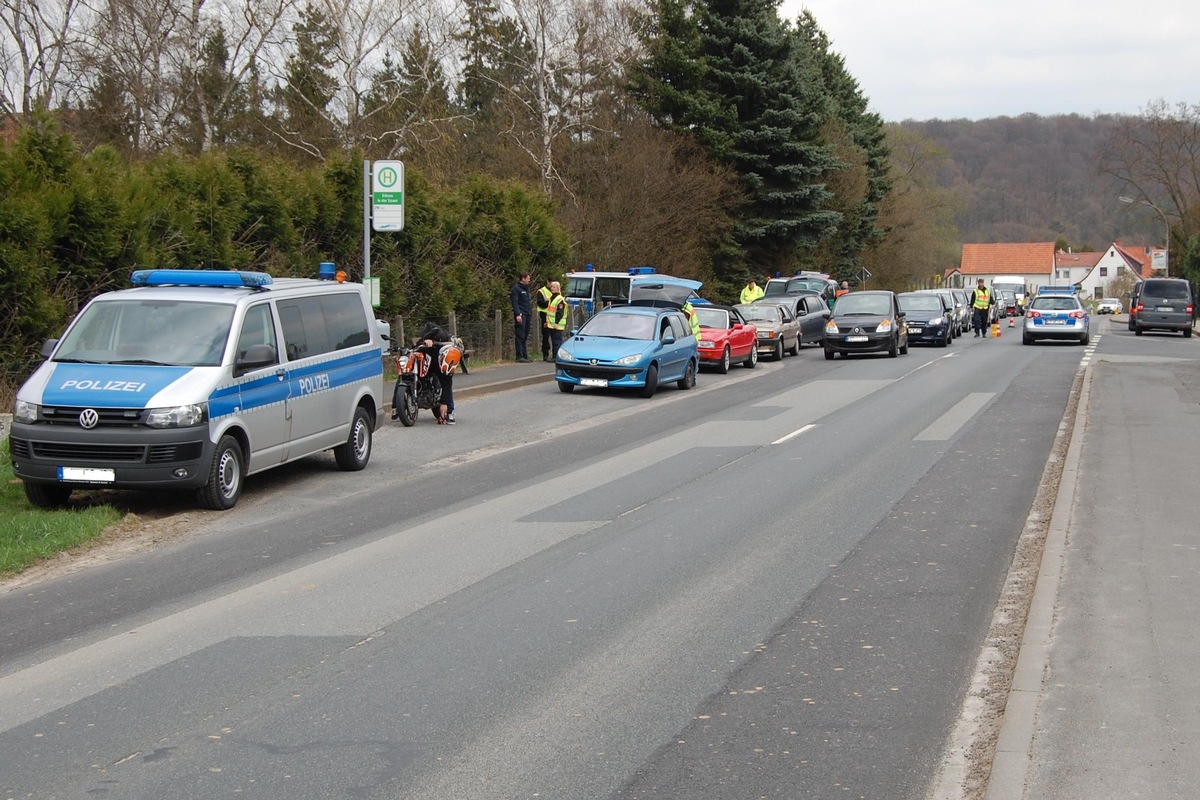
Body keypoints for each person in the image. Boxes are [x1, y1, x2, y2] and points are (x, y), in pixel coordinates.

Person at [418, 321, 456, 424]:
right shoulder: (439, 335)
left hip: (438, 362)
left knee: (446, 381)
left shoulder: (450, 358)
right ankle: (396, 406)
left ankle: (450, 412)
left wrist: (444, 403)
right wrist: (427, 339)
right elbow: (435, 330)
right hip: (427, 357)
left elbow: (447, 381)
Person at [510, 272, 533, 362]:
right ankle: (519, 356)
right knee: (520, 334)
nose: (529, 280)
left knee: (525, 334)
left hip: (527, 313)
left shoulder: (526, 289)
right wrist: (517, 314)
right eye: (528, 278)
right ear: (523, 278)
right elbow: (515, 302)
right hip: (521, 314)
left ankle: (525, 354)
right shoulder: (516, 289)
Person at [544, 280, 568, 359]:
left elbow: (559, 313)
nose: (552, 288)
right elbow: (550, 312)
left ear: (558, 288)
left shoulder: (559, 299)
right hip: (551, 324)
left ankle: (556, 357)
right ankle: (554, 356)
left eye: (553, 287)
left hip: (557, 325)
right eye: (551, 287)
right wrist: (547, 322)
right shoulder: (552, 298)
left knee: (557, 342)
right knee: (554, 342)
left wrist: (556, 322)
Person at [535, 277, 554, 361]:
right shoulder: (541, 291)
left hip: (553, 316)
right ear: (548, 282)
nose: (552, 286)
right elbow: (540, 303)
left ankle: (554, 354)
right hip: (545, 315)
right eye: (551, 283)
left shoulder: (556, 291)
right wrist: (550, 302)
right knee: (545, 335)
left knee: (554, 336)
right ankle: (545, 354)